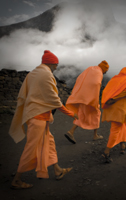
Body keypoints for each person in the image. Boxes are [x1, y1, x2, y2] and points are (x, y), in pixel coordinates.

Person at [9, 50, 78, 189]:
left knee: (50, 143)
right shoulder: (46, 74)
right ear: (51, 63)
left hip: (35, 116)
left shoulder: (33, 73)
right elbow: (54, 99)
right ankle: (17, 179)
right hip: (38, 118)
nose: (57, 67)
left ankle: (57, 170)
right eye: (56, 64)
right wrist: (71, 114)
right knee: (31, 147)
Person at [64, 60, 109, 144]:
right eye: (105, 71)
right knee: (97, 113)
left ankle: (71, 131)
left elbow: (80, 77)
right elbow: (96, 84)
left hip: (82, 96)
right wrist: (94, 98)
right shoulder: (99, 72)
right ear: (104, 69)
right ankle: (95, 135)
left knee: (82, 114)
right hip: (90, 98)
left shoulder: (90, 69)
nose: (105, 73)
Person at [101, 67, 126, 163]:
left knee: (121, 125)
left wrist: (109, 100)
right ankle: (106, 152)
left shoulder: (114, 79)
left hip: (110, 107)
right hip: (119, 109)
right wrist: (115, 99)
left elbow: (106, 90)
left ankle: (123, 146)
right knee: (115, 129)